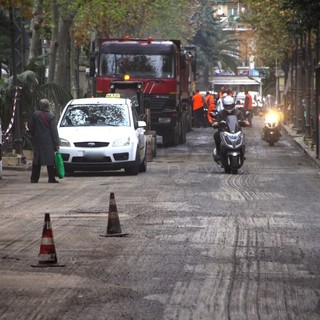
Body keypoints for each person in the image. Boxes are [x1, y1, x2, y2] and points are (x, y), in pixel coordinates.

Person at [28, 99, 61, 183]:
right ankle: (51, 178)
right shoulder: (51, 116)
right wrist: (57, 143)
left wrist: (34, 135)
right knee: (50, 160)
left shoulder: (35, 115)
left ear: (40, 106)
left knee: (37, 160)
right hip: (48, 141)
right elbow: (54, 131)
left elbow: (30, 127)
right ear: (48, 106)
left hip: (37, 140)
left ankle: (34, 178)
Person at [213, 95, 247, 161]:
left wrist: (244, 122)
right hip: (224, 132)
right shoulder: (221, 113)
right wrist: (216, 123)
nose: (229, 107)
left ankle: (242, 153)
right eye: (227, 106)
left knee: (243, 136)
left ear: (233, 104)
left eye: (230, 105)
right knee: (216, 135)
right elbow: (216, 120)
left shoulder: (238, 113)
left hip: (236, 131)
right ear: (224, 105)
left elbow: (242, 120)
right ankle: (219, 153)